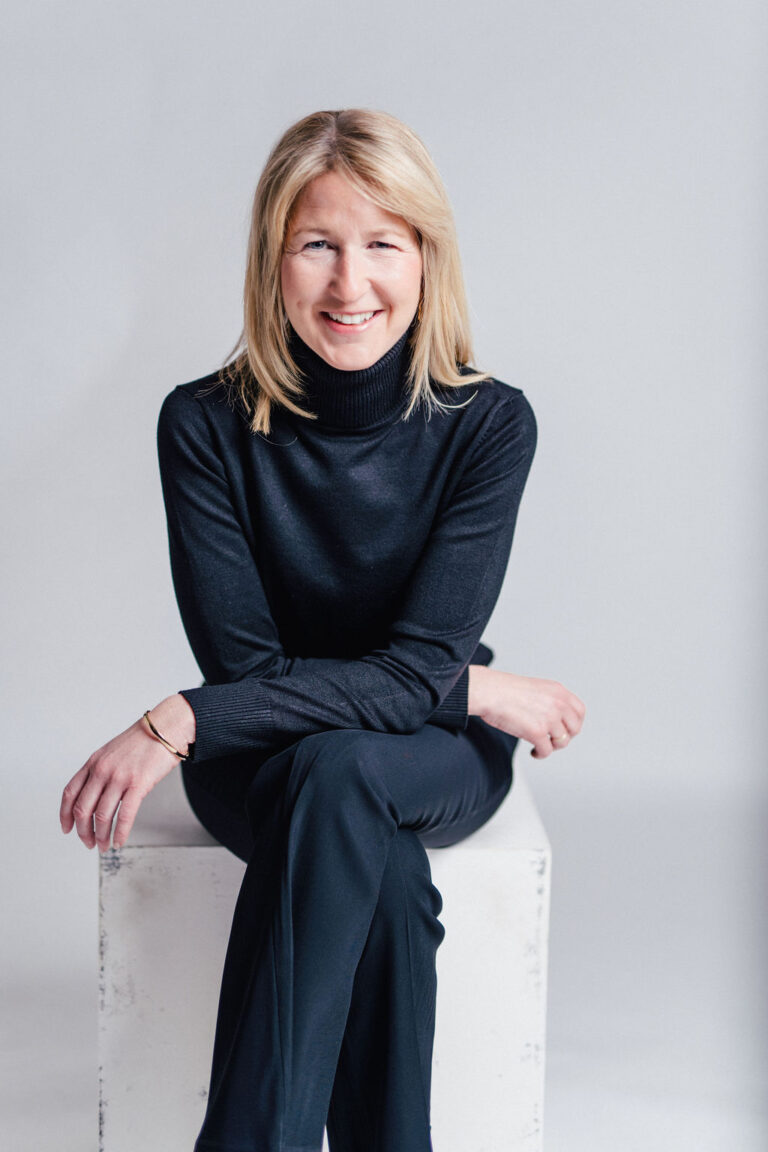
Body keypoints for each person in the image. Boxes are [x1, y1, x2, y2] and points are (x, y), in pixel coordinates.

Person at [60, 108, 585, 1152]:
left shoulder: (488, 424)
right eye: (317, 244)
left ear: (427, 257)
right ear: (273, 259)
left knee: (346, 772)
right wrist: (468, 685)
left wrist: (185, 717)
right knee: (354, 816)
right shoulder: (203, 424)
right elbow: (251, 667)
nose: (351, 284)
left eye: (383, 243)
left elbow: (376, 677)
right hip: (263, 755)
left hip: (426, 752)